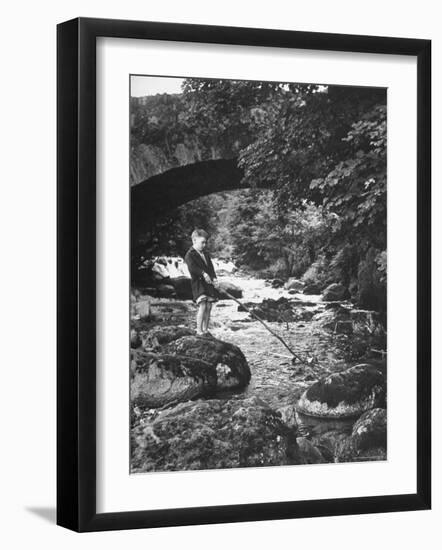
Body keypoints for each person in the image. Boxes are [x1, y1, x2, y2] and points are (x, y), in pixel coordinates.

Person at [184, 228, 220, 336]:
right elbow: (192, 268)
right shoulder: (190, 254)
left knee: (209, 306)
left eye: (205, 243)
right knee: (203, 305)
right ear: (194, 240)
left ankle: (205, 329)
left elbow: (211, 268)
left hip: (208, 284)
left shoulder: (206, 254)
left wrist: (214, 278)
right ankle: (199, 330)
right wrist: (203, 273)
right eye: (202, 242)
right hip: (198, 283)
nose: (204, 245)